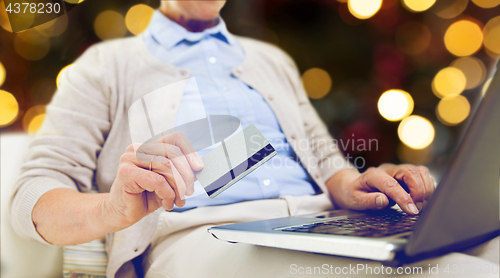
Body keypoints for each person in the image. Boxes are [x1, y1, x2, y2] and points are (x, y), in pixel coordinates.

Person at [9, 1, 497, 277]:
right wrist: (112, 211)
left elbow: (324, 156)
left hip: (320, 222)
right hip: (204, 238)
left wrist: (353, 184)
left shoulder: (270, 60)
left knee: (487, 251)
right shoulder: (107, 65)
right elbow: (29, 197)